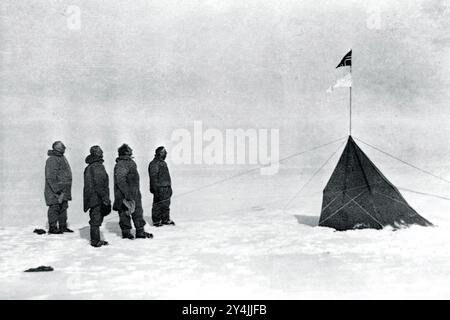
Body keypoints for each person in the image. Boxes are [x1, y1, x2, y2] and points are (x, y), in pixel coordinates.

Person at [113, 144, 153, 239]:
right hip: (123, 195)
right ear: (126, 152)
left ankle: (140, 232)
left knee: (138, 211)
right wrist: (127, 194)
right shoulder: (121, 164)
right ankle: (126, 233)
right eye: (130, 150)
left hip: (134, 193)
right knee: (124, 213)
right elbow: (120, 180)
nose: (132, 151)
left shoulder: (131, 163)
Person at [83, 146, 110, 247]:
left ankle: (96, 239)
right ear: (97, 153)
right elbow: (99, 184)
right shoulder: (97, 166)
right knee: (96, 219)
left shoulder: (90, 166)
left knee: (95, 218)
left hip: (92, 197)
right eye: (100, 151)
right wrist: (105, 198)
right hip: (97, 198)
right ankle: (95, 241)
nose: (102, 152)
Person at [44, 141, 73, 234]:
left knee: (63, 207)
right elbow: (50, 177)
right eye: (62, 147)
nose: (64, 148)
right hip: (55, 192)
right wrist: (57, 190)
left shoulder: (62, 157)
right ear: (57, 148)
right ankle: (52, 228)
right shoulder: (52, 159)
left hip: (63, 190)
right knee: (54, 207)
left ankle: (62, 226)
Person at [149, 146, 175, 227]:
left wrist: (169, 187)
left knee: (166, 204)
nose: (166, 154)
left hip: (166, 187)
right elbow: (153, 177)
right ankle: (156, 221)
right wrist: (155, 189)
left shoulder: (163, 163)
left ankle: (165, 219)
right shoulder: (154, 163)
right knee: (157, 204)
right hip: (159, 188)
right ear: (159, 153)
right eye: (164, 153)